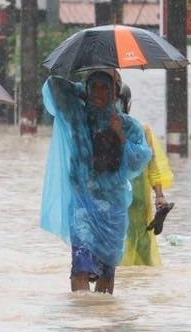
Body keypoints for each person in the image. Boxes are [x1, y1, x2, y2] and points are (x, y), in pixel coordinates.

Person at [40, 68, 152, 293]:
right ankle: (82, 319)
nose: (99, 92)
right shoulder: (78, 117)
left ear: (115, 93)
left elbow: (139, 162)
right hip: (83, 204)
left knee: (106, 273)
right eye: (95, 87)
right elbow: (54, 85)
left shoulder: (128, 125)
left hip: (113, 209)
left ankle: (101, 320)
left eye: (105, 88)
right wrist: (82, 90)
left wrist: (120, 136)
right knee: (80, 266)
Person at [118, 85, 175, 268]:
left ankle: (141, 282)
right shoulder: (99, 128)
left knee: (142, 239)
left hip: (139, 198)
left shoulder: (142, 129)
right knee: (117, 239)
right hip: (114, 195)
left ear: (127, 103)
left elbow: (153, 164)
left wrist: (159, 194)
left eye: (118, 100)